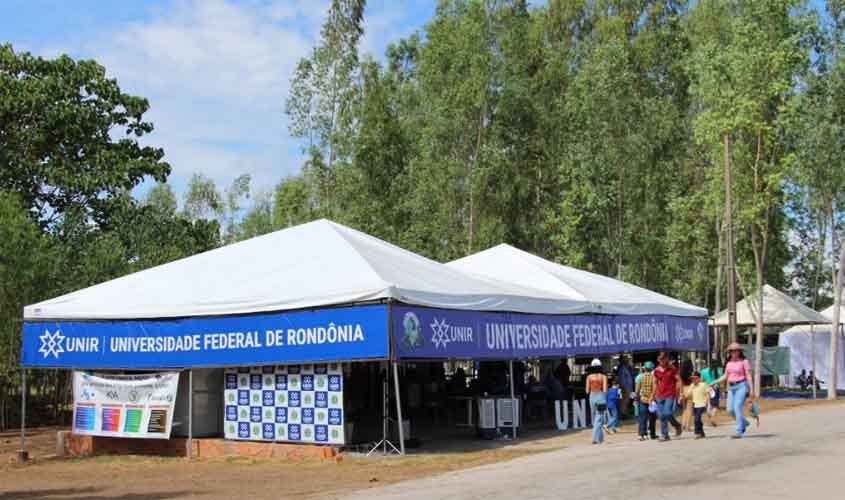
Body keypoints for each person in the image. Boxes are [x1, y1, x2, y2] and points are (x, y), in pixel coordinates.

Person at [711, 342, 753, 438]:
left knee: (737, 408)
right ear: (729, 352)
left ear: (739, 351)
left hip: (741, 386)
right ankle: (744, 422)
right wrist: (714, 382)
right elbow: (725, 376)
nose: (734, 352)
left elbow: (748, 376)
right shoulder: (729, 363)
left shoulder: (744, 361)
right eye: (732, 351)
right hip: (731, 387)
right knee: (730, 410)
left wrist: (751, 389)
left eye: (736, 351)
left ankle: (738, 432)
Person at [653, 351, 683, 441]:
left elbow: (679, 380)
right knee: (661, 415)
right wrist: (652, 395)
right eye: (660, 359)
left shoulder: (672, 368)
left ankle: (677, 425)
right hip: (659, 395)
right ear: (658, 359)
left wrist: (680, 392)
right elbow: (655, 383)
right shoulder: (656, 370)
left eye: (663, 358)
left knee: (667, 413)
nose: (661, 360)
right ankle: (665, 435)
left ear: (666, 358)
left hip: (670, 394)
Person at [585, 358, 608, 444]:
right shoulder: (603, 377)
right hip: (601, 396)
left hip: (592, 396)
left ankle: (600, 439)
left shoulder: (589, 377)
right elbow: (605, 390)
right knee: (599, 417)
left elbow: (587, 391)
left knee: (595, 418)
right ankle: (595, 438)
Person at [635, 361, 658, 441]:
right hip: (652, 400)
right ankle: (652, 434)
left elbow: (637, 390)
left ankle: (642, 434)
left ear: (644, 368)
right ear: (652, 369)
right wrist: (652, 398)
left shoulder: (640, 377)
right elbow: (655, 389)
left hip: (642, 399)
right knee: (652, 418)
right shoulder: (654, 378)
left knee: (642, 418)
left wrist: (636, 397)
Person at [701, 358, 723, 427]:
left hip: (706, 389)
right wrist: (722, 391)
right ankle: (713, 417)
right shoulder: (719, 371)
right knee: (715, 405)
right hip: (715, 389)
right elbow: (721, 382)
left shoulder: (704, 371)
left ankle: (709, 415)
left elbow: (701, 381)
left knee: (708, 404)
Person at [689, 371, 711, 439]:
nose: (693, 380)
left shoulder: (703, 385)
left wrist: (709, 404)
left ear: (699, 378)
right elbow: (689, 394)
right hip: (695, 404)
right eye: (692, 378)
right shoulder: (692, 385)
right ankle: (702, 433)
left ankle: (697, 433)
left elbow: (708, 394)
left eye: (695, 378)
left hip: (702, 404)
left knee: (697, 419)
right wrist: (682, 396)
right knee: (697, 419)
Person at [679, 359, 695, 432]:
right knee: (689, 409)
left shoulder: (681, 373)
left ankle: (683, 425)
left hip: (683, 389)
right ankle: (688, 426)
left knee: (684, 409)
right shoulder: (692, 373)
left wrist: (681, 393)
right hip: (690, 389)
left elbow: (681, 383)